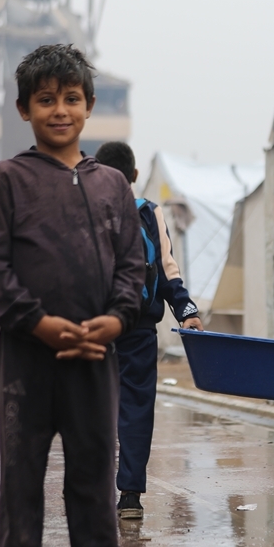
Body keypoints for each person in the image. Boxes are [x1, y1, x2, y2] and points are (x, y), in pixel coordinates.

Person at [0, 44, 150, 547]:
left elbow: (132, 268)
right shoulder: (8, 180)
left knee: (94, 479)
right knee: (21, 478)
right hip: (27, 361)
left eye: (71, 98)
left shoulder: (112, 186)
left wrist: (116, 322)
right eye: (46, 100)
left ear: (89, 107)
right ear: (24, 109)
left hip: (97, 359)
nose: (59, 110)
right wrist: (39, 324)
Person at [93, 141, 203, 520]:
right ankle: (130, 496)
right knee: (136, 410)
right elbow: (169, 271)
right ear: (135, 175)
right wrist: (186, 310)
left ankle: (92, 488)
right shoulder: (149, 213)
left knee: (92, 407)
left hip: (94, 329)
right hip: (140, 329)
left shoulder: (85, 210)